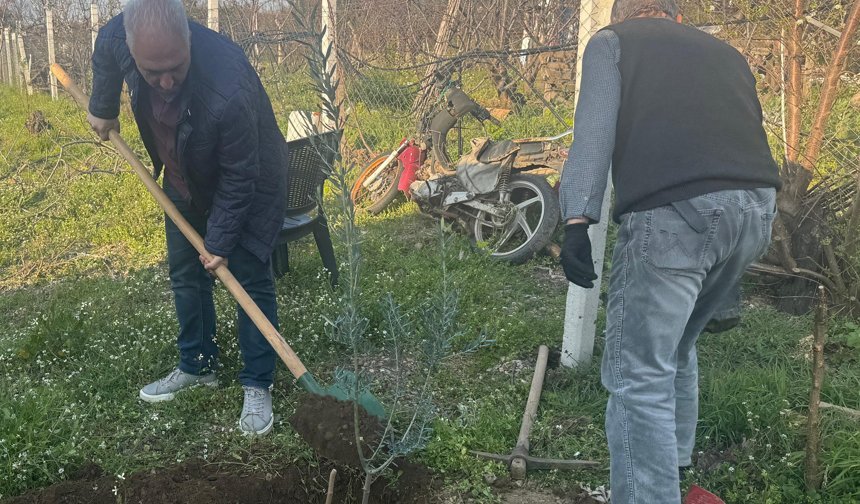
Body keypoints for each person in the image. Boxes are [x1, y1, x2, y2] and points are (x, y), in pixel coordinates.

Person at [558, 1, 781, 502]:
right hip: (757, 210)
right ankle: (674, 473)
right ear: (676, 17)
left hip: (674, 213)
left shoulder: (613, 43)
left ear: (623, 15)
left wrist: (576, 222)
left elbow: (592, 139)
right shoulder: (727, 53)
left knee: (638, 374)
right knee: (678, 345)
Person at [88, 0, 288, 436]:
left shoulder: (228, 86)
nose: (164, 81)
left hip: (248, 179)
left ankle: (257, 383)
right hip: (183, 175)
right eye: (151, 71)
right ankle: (198, 366)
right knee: (185, 273)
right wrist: (103, 105)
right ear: (135, 50)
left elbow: (240, 175)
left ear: (190, 40)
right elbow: (105, 45)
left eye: (175, 67)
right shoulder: (120, 37)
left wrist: (218, 242)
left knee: (249, 278)